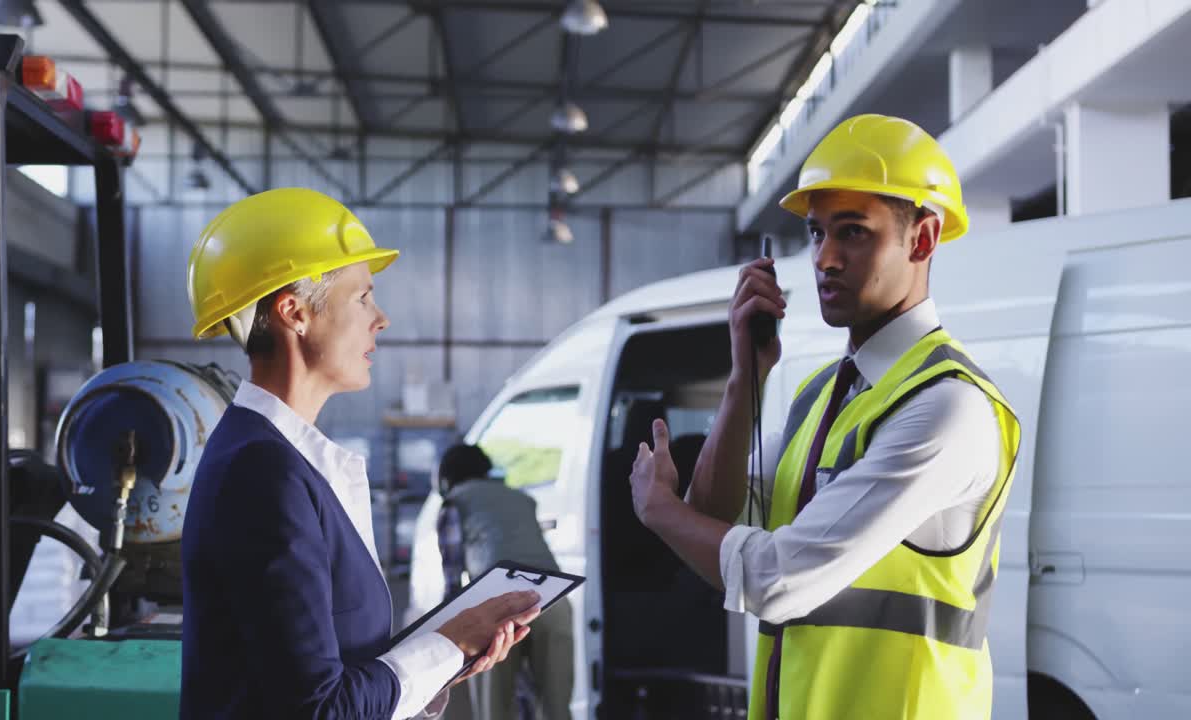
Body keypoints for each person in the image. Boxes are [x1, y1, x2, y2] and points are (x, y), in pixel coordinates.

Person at [626, 115, 1020, 720]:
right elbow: (713, 520)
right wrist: (743, 382)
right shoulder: (821, 396)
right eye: (816, 234)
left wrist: (659, 511)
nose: (825, 260)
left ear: (922, 240)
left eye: (854, 233)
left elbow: (777, 579)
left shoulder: (946, 405)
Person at [180, 188, 541, 719]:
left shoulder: (282, 461)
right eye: (363, 297)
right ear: (294, 313)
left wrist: (446, 656)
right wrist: (449, 643)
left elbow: (333, 679)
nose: (382, 319)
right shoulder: (262, 471)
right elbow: (319, 710)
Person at [433, 444, 573, 720]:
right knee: (556, 708)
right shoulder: (521, 499)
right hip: (555, 600)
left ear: (446, 477)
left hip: (498, 605)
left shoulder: (454, 502)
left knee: (494, 708)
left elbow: (452, 579)